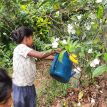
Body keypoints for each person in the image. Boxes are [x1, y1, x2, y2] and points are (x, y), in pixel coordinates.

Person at [11, 26, 60, 107]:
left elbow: (42, 56)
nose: (32, 40)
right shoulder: (20, 48)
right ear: (26, 38)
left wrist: (57, 58)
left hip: (29, 85)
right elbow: (40, 55)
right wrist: (54, 51)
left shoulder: (27, 50)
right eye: (32, 37)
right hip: (20, 88)